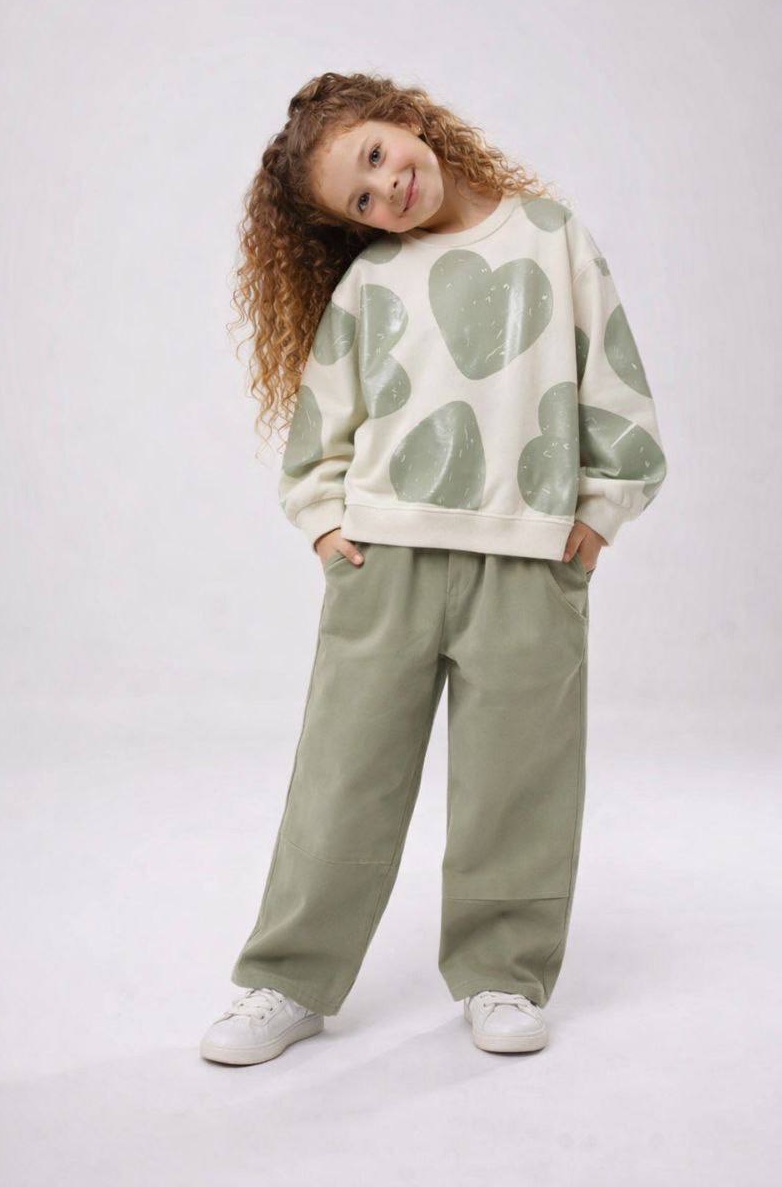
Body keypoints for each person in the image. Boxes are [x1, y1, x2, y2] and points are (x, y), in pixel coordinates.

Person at [200, 70, 667, 1065]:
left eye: (377, 156)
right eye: (360, 200)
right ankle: (288, 980)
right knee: (344, 778)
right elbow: (322, 425)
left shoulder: (551, 238)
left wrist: (599, 511)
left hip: (527, 559)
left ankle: (504, 973)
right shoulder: (372, 283)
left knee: (518, 782)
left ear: (407, 119)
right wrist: (325, 524)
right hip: (388, 559)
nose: (386, 190)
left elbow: (613, 380)